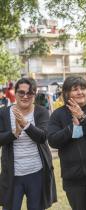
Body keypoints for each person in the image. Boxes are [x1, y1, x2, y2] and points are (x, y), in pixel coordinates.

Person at [47, 76, 86, 210]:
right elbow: (53, 140)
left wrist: (82, 117)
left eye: (83, 88)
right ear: (66, 93)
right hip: (73, 179)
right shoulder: (58, 114)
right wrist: (71, 129)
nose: (80, 92)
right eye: (75, 89)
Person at [0, 78, 57, 210]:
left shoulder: (41, 112)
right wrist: (14, 133)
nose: (25, 96)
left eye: (29, 93)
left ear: (34, 95)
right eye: (21, 93)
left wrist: (25, 125)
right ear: (15, 93)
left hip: (37, 173)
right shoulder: (3, 113)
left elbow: (43, 137)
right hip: (13, 174)